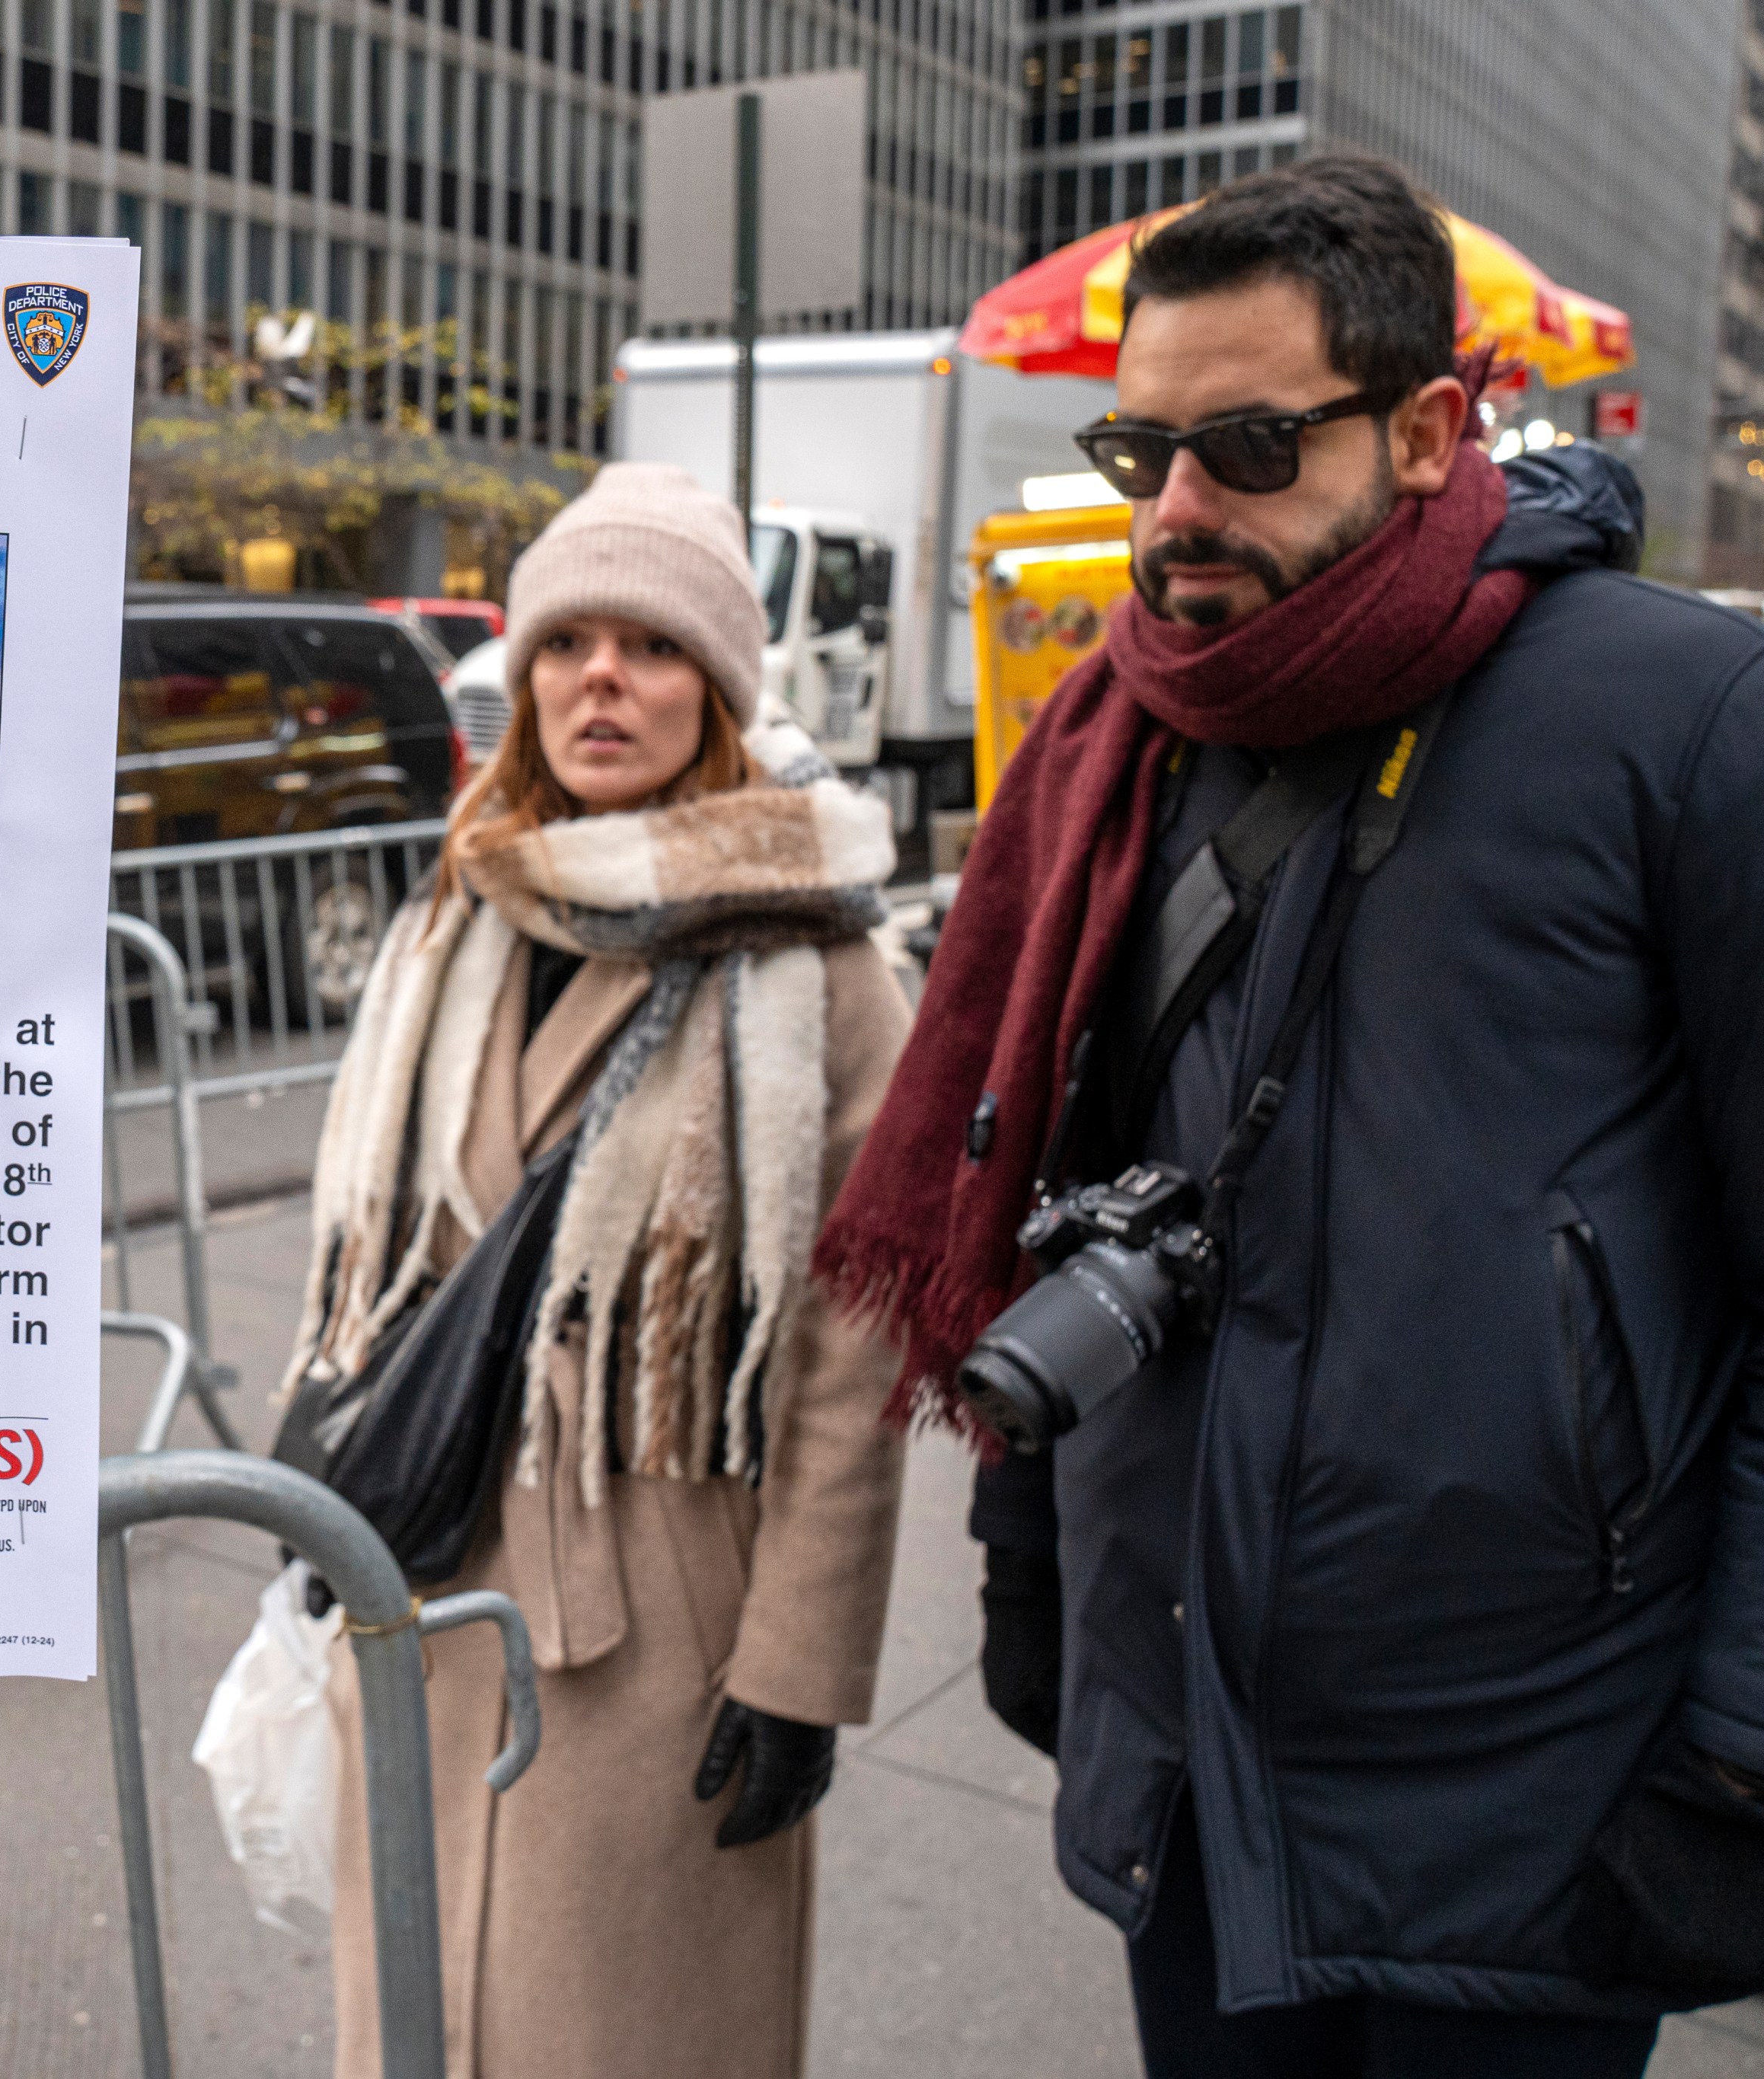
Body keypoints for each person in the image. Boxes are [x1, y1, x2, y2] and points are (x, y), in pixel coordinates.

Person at [816, 156, 1764, 2076]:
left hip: (1532, 1790)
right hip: (1183, 1753)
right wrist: (1030, 1566)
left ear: (1425, 431)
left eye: (1245, 446)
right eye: (1133, 449)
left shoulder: (1686, 718)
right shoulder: (1128, 724)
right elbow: (1053, 1169)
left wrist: (1735, 1748)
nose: (1173, 514)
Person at [283, 463, 912, 2077]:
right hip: (420, 1583)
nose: (600, 680)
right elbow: (378, 1247)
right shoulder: (461, 903)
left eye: (649, 646)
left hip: (661, 1622)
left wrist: (796, 1672)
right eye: (567, 644)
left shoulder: (816, 960)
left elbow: (851, 1355)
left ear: (714, 687)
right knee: (421, 2021)